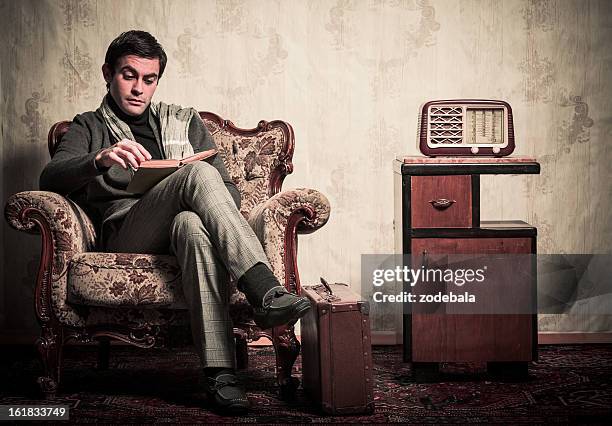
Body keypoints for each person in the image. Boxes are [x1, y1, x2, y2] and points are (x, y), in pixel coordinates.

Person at [39, 30, 311, 414]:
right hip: (127, 232)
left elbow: (228, 192)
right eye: (128, 75)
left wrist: (196, 195)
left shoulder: (184, 122)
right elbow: (50, 178)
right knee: (197, 175)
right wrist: (100, 158)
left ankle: (220, 376)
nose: (138, 88)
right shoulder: (88, 126)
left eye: (148, 79)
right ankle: (263, 290)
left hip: (180, 230)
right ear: (107, 73)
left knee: (192, 225)